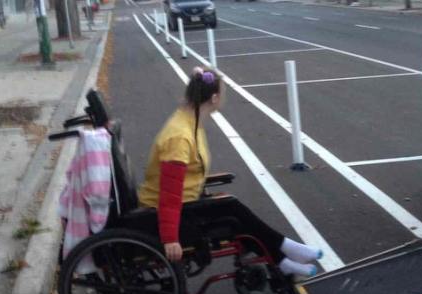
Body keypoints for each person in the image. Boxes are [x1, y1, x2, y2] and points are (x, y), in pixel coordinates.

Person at [137, 66, 321, 276]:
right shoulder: (179, 137)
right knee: (233, 210)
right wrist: (170, 238)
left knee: (234, 212)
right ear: (214, 98)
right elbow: (169, 195)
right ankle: (285, 251)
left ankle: (283, 257)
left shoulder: (189, 121)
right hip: (167, 210)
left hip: (185, 203)